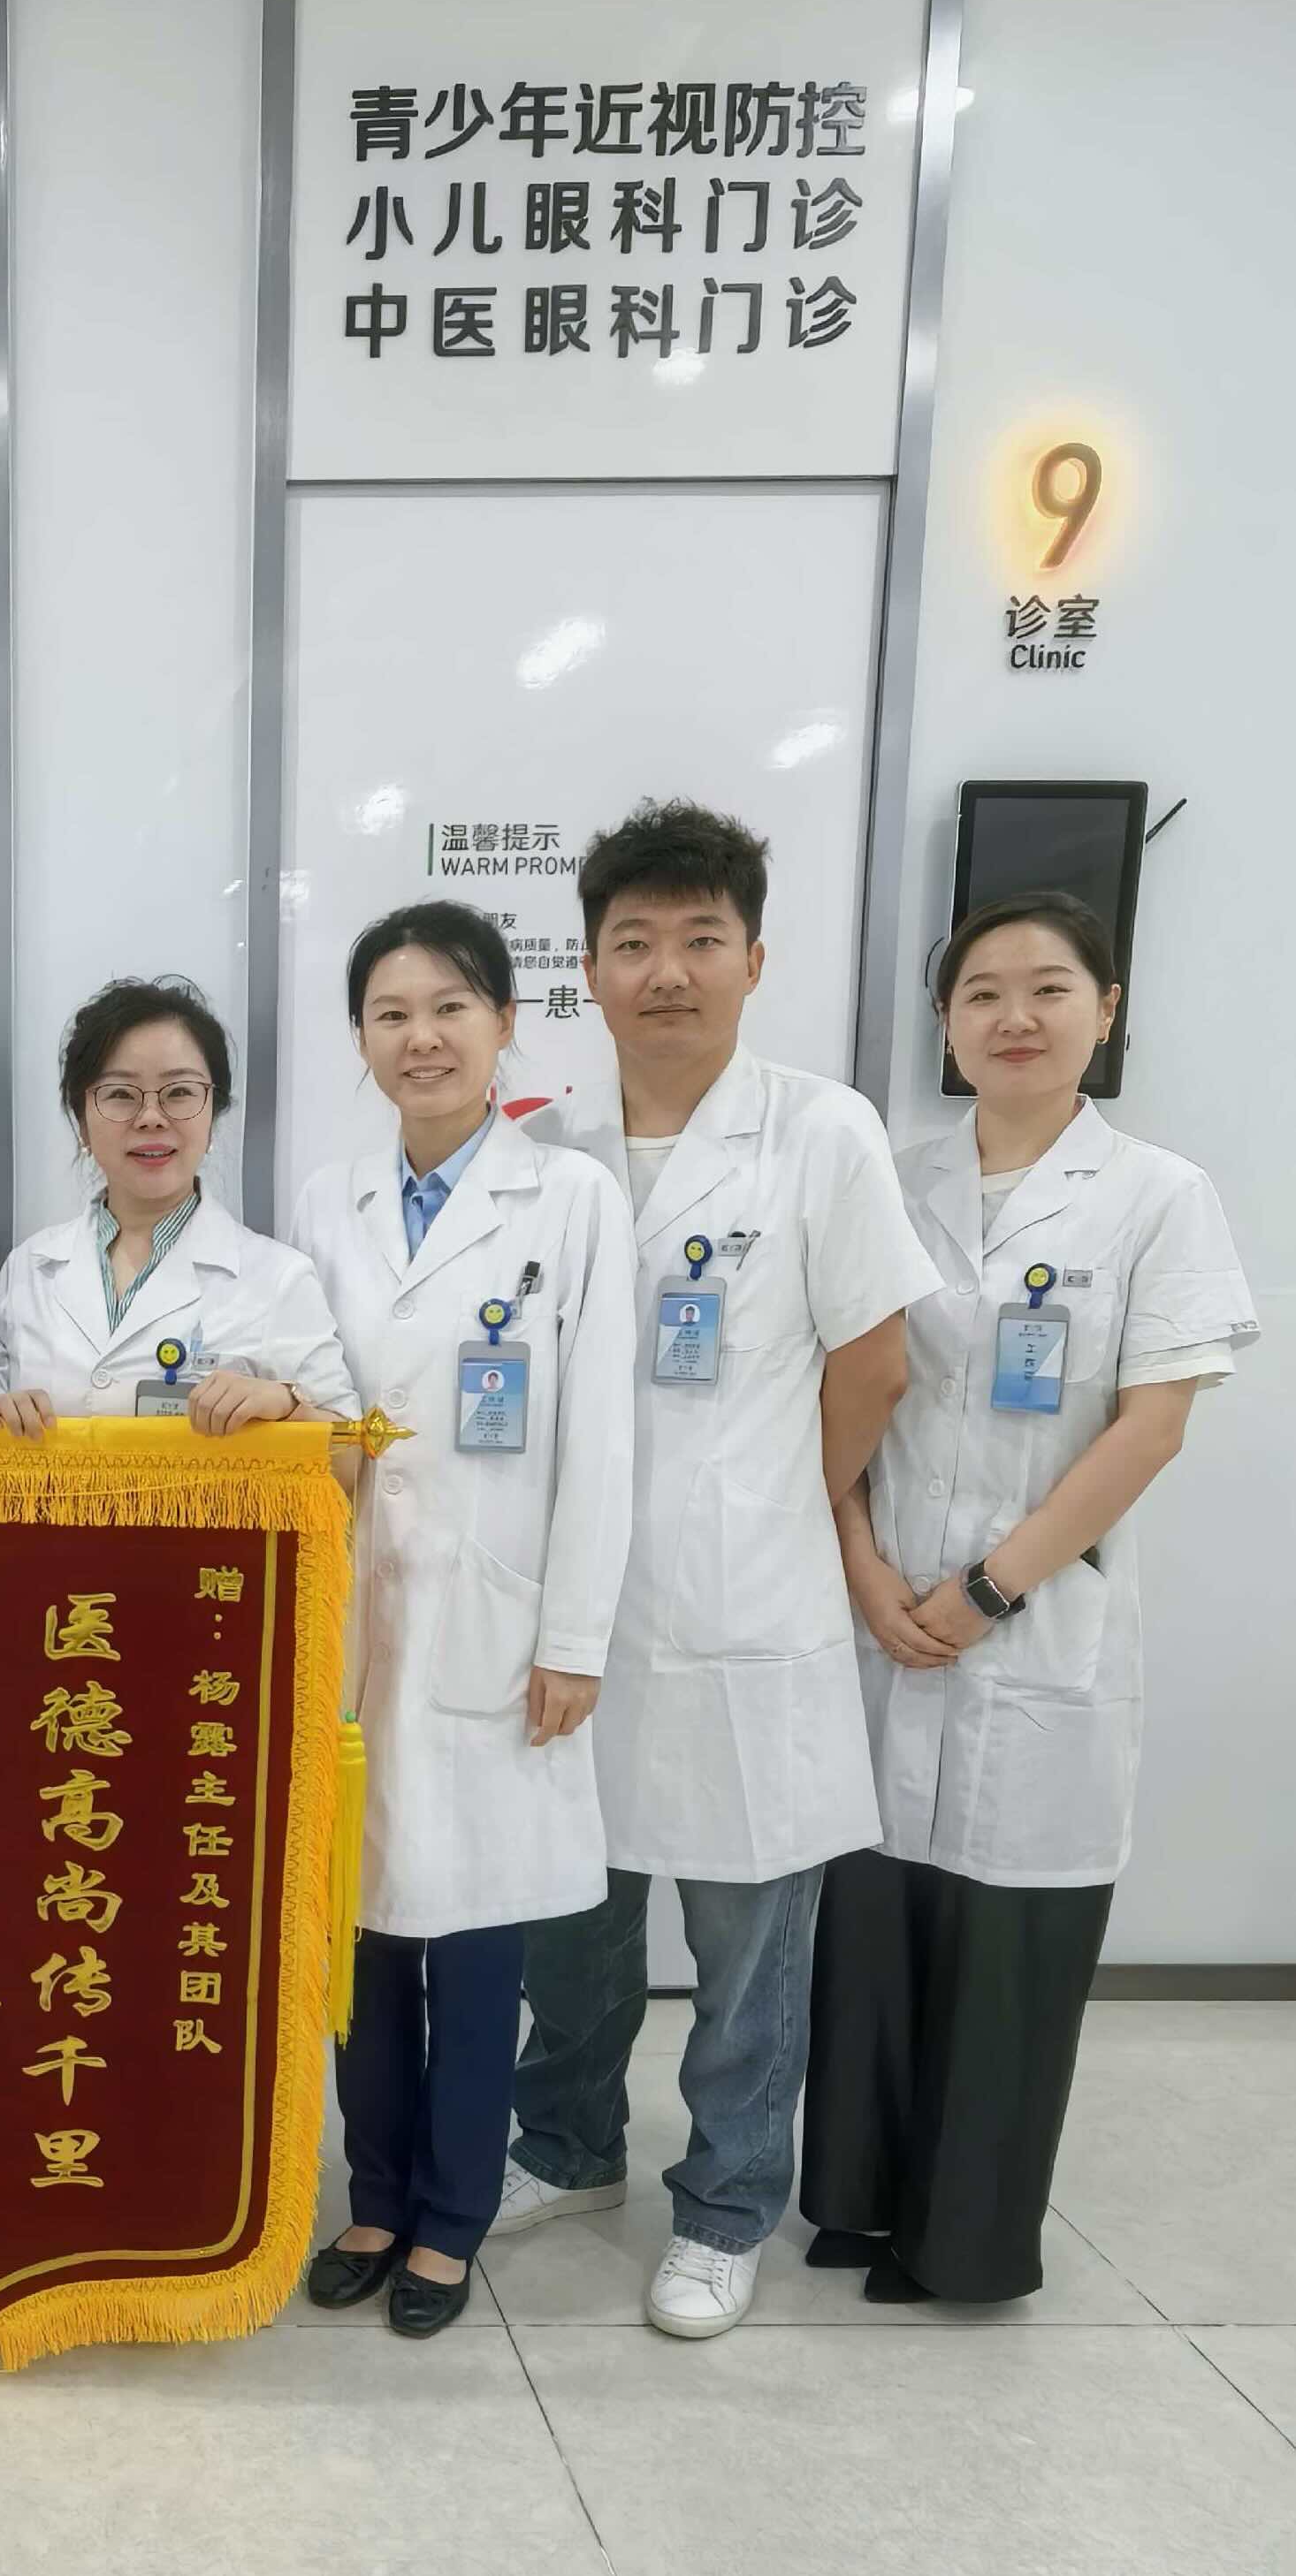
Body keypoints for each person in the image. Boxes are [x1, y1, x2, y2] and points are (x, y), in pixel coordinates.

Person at [496, 802, 941, 2338]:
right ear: (587, 968)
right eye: (632, 942)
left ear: (754, 959)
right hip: (574, 1605)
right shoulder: (543, 1151)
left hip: (749, 1601)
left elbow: (873, 1363)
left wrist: (769, 1504)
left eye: (699, 939)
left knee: (749, 1942)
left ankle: (728, 2202)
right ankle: (567, 2144)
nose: (665, 971)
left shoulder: (819, 1130)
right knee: (571, 1911)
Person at [804, 893, 1255, 2303]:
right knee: (874, 1919)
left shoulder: (1157, 1196)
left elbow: (1150, 1425)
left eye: (1048, 987)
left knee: (1005, 1944)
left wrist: (991, 1588)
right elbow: (840, 1397)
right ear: (942, 1020)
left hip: (1038, 1617)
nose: (1013, 1015)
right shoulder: (889, 1183)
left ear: (1103, 1009)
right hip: (883, 1608)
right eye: (980, 991)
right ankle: (853, 2201)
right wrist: (863, 1567)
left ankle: (962, 2243)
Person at [289, 905, 635, 2337]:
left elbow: (600, 1435)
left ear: (502, 1023)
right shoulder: (324, 1201)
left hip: (497, 1610)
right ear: (360, 1039)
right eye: (390, 1012)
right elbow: (300, 1398)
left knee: (476, 1934)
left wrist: (573, 1637)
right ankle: (372, 2194)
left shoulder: (571, 1199)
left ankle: (450, 2214)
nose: (419, 1036)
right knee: (361, 1923)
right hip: (348, 1610)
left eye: (448, 1007)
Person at [0, 976, 354, 1433]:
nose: (151, 1117)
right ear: (82, 1122)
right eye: (120, 1094)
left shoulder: (279, 1278)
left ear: (213, 1116)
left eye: (179, 1093)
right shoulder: (28, 1270)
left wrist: (287, 1406)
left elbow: (348, 1453)